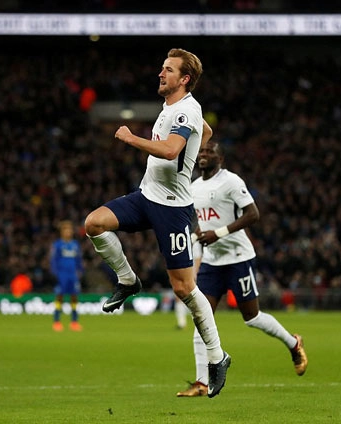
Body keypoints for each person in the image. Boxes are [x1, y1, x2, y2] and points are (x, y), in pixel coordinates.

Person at [84, 48, 231, 398]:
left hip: (173, 209)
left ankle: (217, 356)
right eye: (162, 68)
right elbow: (205, 132)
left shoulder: (187, 110)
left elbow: (169, 151)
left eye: (168, 70)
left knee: (183, 289)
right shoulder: (177, 109)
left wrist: (131, 137)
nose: (160, 74)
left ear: (185, 79)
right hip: (146, 196)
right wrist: (196, 146)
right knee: (94, 223)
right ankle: (127, 280)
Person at [176, 140, 308, 397]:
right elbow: (201, 229)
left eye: (209, 152)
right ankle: (202, 383)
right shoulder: (193, 188)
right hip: (212, 263)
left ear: (220, 158)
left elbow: (253, 214)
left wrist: (220, 233)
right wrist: (198, 255)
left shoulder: (232, 182)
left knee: (252, 318)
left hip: (238, 258)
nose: (203, 155)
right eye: (201, 151)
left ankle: (293, 343)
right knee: (201, 318)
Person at [49, 220, 84, 331]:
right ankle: (57, 321)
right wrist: (55, 273)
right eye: (66, 229)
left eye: (70, 229)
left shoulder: (75, 245)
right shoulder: (57, 245)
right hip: (62, 274)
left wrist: (80, 270)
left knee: (74, 297)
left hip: (72, 274)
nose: (68, 231)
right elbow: (53, 260)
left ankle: (74, 322)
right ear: (62, 231)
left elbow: (78, 260)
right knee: (60, 296)